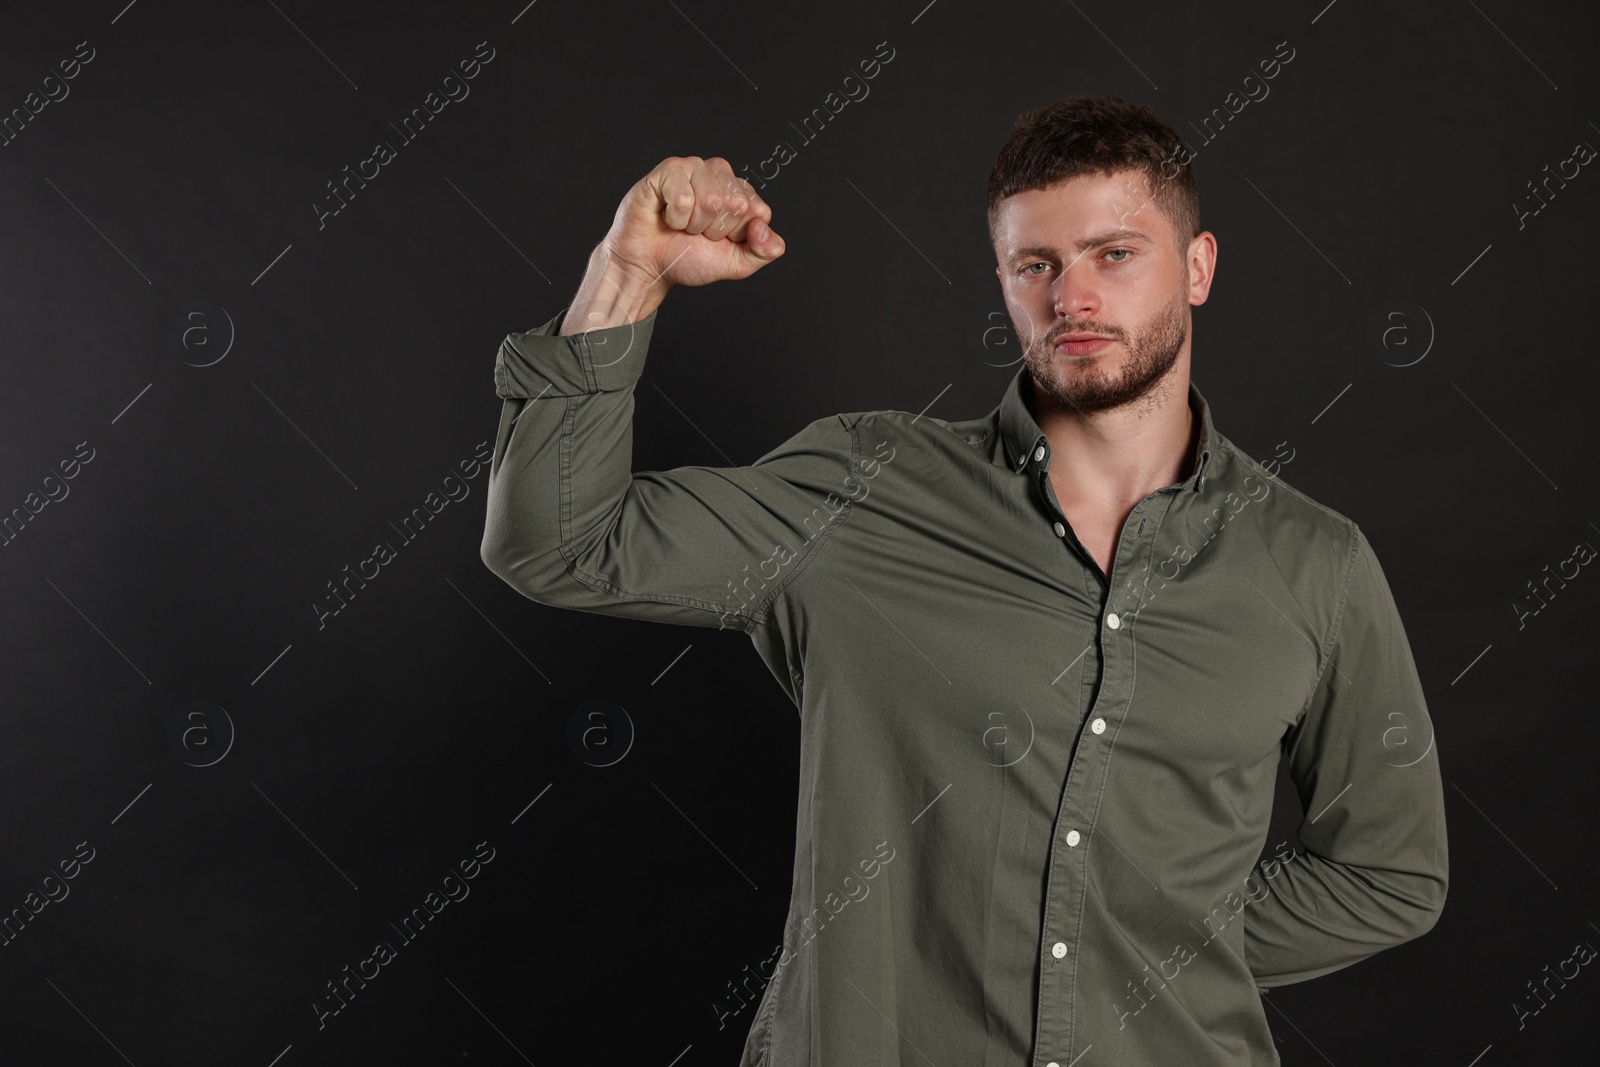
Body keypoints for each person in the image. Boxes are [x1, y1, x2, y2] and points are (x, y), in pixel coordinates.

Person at [479, 94, 1447, 1067]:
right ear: (1003, 280)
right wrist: (627, 274)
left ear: (1195, 267)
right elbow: (561, 543)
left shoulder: (1314, 562)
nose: (1071, 297)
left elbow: (1387, 874)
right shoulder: (862, 487)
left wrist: (1155, 945)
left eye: (1114, 253)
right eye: (1038, 264)